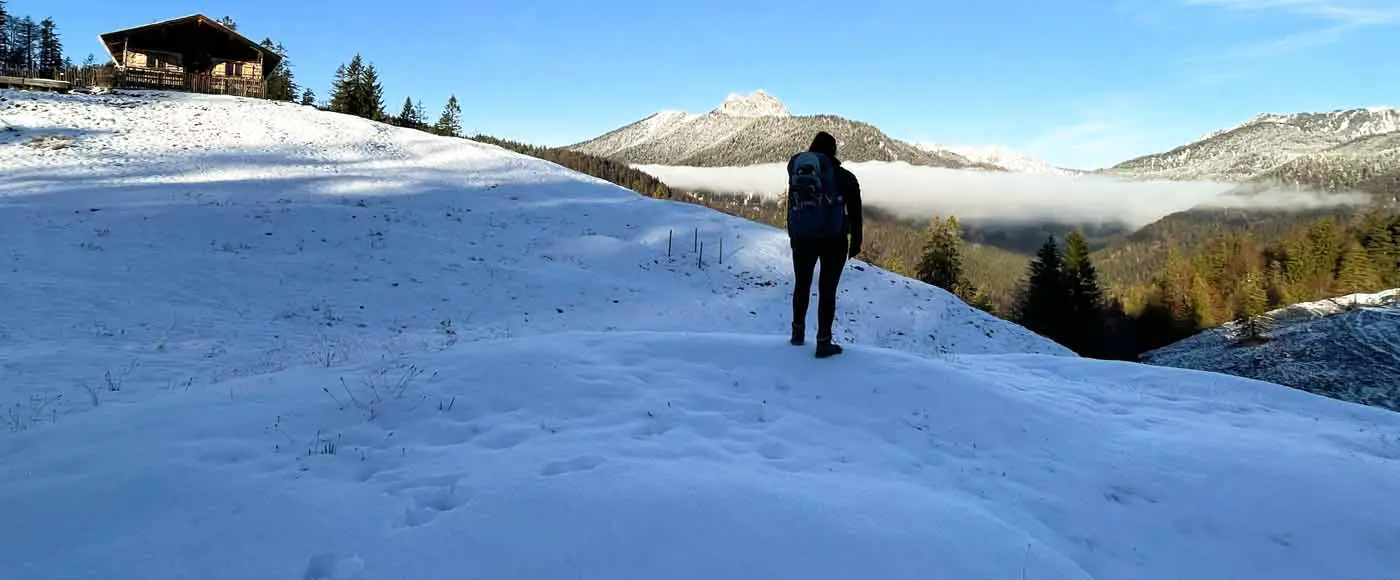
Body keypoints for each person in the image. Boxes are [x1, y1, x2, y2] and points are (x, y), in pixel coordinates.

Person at [786, 131, 862, 358]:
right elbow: (856, 213)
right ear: (834, 150)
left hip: (802, 238)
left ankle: (797, 334)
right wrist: (855, 241)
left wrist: (793, 234)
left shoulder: (800, 173)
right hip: (834, 239)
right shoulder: (846, 178)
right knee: (827, 290)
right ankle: (823, 342)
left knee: (802, 285)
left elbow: (792, 205)